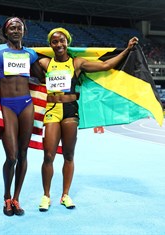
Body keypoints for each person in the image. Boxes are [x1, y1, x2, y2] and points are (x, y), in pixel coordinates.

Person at [36, 27, 138, 211]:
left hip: (70, 111)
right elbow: (20, 60)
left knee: (68, 154)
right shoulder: (44, 63)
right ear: (50, 45)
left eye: (62, 41)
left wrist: (127, 50)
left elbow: (106, 66)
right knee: (48, 155)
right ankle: (46, 195)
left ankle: (65, 195)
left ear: (67, 42)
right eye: (54, 42)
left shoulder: (77, 63)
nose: (59, 44)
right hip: (52, 110)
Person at [0, 16, 41, 216]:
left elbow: (42, 76)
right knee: (11, 156)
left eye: (19, 27)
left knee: (23, 154)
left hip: (26, 104)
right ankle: (6, 196)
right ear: (5, 32)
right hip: (6, 105)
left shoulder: (30, 54)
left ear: (24, 31)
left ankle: (16, 198)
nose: (15, 30)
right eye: (11, 28)